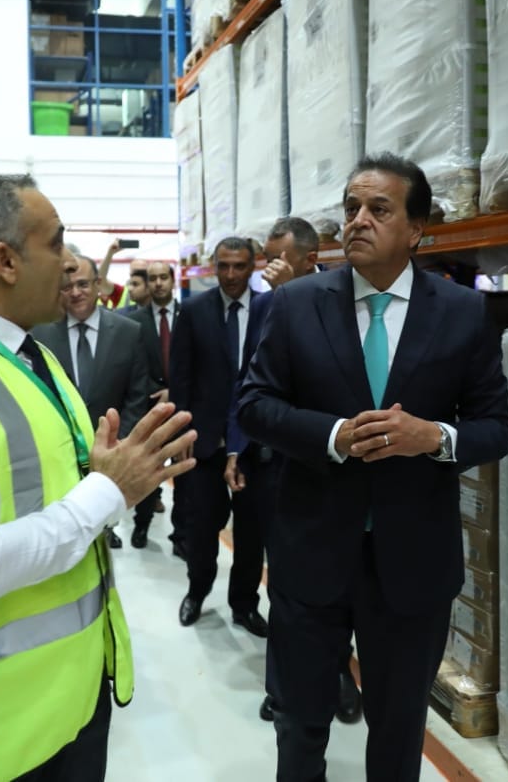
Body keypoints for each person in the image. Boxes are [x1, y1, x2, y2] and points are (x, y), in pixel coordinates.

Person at [0, 173, 198, 782]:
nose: (70, 263)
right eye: (56, 243)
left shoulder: (32, 359)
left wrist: (115, 472)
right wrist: (111, 489)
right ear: (5, 262)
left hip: (70, 697)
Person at [238, 154, 508, 782]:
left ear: (416, 228)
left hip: (413, 562)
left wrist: (432, 436)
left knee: (397, 730)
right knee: (299, 723)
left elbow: (495, 428)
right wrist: (332, 435)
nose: (357, 220)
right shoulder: (296, 305)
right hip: (312, 554)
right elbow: (253, 406)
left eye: (378, 209)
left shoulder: (462, 313)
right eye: (351, 208)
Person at [223, 217, 362, 726]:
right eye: (267, 258)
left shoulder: (347, 302)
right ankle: (282, 688)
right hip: (272, 465)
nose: (268, 267)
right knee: (284, 581)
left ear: (309, 259)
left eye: (279, 258)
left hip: (332, 465)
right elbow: (249, 385)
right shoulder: (267, 304)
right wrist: (236, 449)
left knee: (336, 579)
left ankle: (339, 672)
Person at [169, 237, 267, 637]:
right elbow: (180, 376)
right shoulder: (194, 311)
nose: (230, 274)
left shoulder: (270, 309)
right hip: (205, 441)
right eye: (223, 266)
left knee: (251, 533)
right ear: (213, 266)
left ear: (253, 266)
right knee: (202, 527)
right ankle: (196, 591)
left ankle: (244, 605)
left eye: (239, 266)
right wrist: (181, 432)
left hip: (255, 443)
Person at [34, 255, 152, 549]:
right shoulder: (41, 333)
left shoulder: (128, 331)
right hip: (60, 453)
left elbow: (136, 396)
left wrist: (121, 446)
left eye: (84, 284)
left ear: (98, 285)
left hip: (112, 449)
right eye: (68, 286)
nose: (76, 293)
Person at [130, 261, 182, 545]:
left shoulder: (190, 315)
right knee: (148, 473)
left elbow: (199, 363)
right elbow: (134, 369)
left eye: (163, 277)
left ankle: (181, 535)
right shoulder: (134, 323)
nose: (159, 283)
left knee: (185, 474)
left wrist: (175, 392)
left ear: (173, 280)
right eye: (153, 278)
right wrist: (157, 392)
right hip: (148, 409)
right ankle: (142, 525)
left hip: (184, 408)